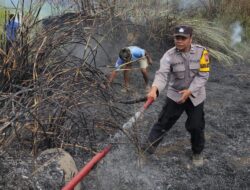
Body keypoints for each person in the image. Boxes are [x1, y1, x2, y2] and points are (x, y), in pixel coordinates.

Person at [144, 25, 210, 167]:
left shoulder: (202, 52)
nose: (179, 41)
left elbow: (203, 76)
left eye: (183, 38)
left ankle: (197, 152)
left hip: (195, 96)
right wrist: (154, 88)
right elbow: (162, 74)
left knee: (196, 126)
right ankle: (147, 151)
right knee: (163, 123)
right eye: (177, 38)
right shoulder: (169, 55)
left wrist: (190, 90)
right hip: (175, 95)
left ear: (190, 39)